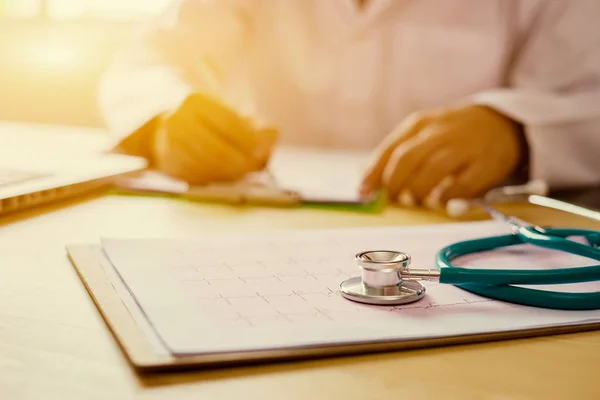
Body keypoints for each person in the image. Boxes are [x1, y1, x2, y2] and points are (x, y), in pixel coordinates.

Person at [97, 0, 600, 208]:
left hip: (463, 231)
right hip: (264, 221)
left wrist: (514, 128)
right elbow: (152, 54)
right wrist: (165, 115)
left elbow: (589, 96)